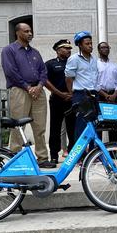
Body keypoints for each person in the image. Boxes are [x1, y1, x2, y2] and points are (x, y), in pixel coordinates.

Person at [1, 23, 51, 167]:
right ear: (18, 33)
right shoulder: (9, 50)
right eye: (26, 31)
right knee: (18, 126)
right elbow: (11, 71)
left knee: (40, 126)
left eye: (31, 31)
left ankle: (42, 158)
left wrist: (39, 86)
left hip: (38, 91)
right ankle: (15, 158)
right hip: (20, 90)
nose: (30, 33)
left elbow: (43, 71)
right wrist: (28, 87)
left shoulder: (35, 52)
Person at [44, 39, 76, 167]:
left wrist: (72, 94)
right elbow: (45, 81)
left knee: (72, 129)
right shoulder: (50, 64)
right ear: (58, 50)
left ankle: (73, 154)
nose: (68, 50)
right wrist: (59, 93)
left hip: (72, 99)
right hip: (57, 99)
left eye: (69, 48)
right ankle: (53, 156)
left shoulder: (74, 63)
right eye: (65, 48)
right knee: (55, 129)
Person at [65, 31, 99, 141]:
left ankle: (93, 153)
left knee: (94, 124)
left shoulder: (94, 59)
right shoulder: (74, 59)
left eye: (91, 43)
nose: (90, 46)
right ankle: (81, 155)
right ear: (79, 45)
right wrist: (72, 94)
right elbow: (68, 78)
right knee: (81, 125)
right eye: (87, 44)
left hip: (93, 94)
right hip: (81, 95)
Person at [96, 42, 117, 143]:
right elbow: (95, 82)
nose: (105, 49)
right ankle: (98, 150)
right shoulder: (95, 65)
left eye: (107, 47)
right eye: (103, 47)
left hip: (113, 96)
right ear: (98, 50)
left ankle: (113, 151)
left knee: (113, 123)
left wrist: (114, 94)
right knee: (100, 123)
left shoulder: (114, 66)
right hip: (101, 96)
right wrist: (105, 95)